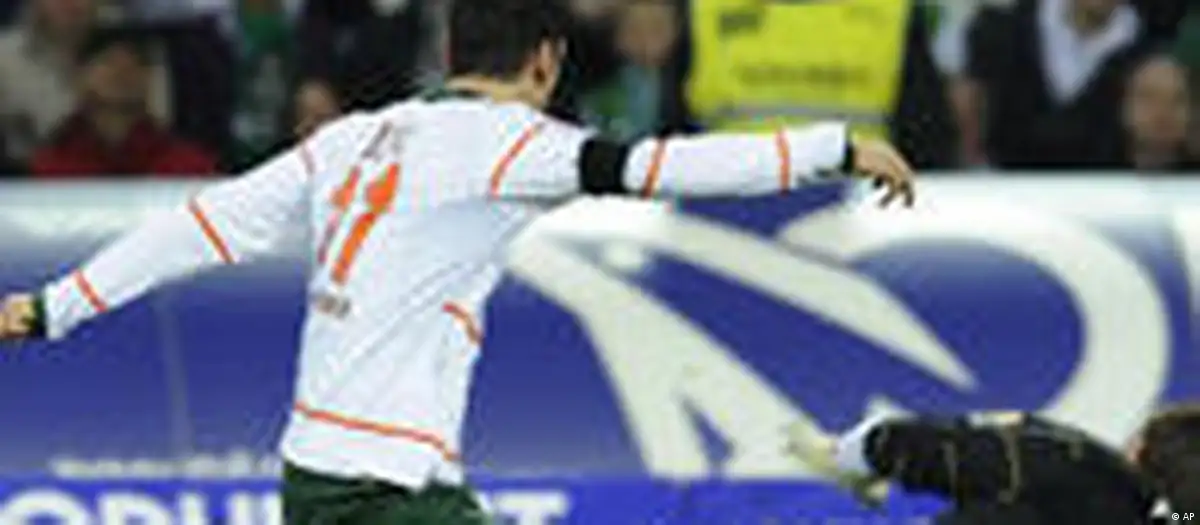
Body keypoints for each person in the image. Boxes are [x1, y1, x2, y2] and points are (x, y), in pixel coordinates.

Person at [0, 0, 916, 522]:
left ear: (449, 50)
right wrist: (833, 147)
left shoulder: (354, 136)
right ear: (547, 61)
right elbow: (661, 167)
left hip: (321, 475)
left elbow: (200, 224)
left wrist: (52, 304)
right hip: (380, 487)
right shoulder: (516, 143)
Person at [809, 407, 1200, 524]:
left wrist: (850, 453)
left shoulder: (1066, 464)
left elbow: (938, 450)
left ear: (1139, 452)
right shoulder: (1180, 515)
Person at [29, 26, 216, 177]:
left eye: (135, 63)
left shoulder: (190, 167)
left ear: (149, 78)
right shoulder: (46, 167)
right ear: (79, 75)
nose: (121, 73)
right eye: (108, 62)